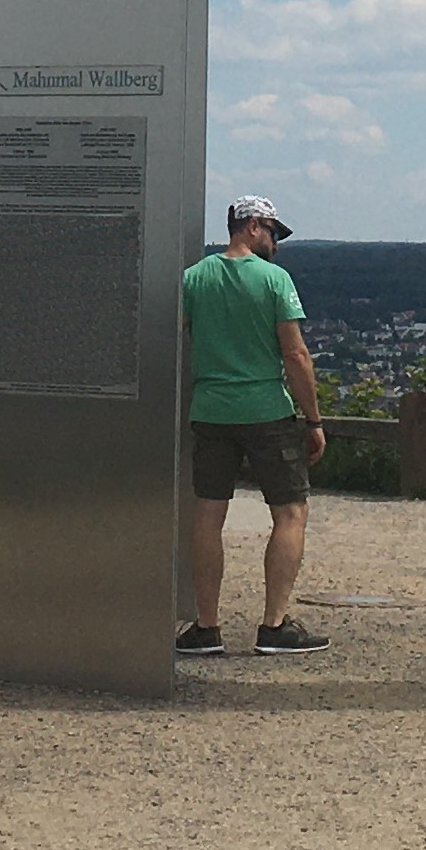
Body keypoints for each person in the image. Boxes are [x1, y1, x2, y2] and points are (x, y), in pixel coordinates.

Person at [177, 194, 329, 656]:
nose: (277, 245)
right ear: (253, 226)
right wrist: (314, 419)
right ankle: (274, 625)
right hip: (266, 409)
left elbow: (180, 332)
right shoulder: (275, 280)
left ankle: (206, 626)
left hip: (210, 410)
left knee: (207, 515)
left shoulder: (192, 279)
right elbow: (295, 354)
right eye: (274, 233)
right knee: (289, 513)